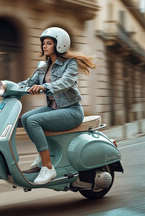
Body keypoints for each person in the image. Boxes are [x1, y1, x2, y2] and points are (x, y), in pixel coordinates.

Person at [19, 27, 96, 184]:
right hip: (54, 109)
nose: (44, 46)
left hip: (71, 111)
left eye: (48, 43)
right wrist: (7, 87)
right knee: (26, 117)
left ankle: (48, 167)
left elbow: (66, 82)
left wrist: (44, 87)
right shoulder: (43, 66)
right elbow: (28, 83)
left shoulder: (70, 64)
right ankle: (43, 156)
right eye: (43, 43)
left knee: (34, 121)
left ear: (59, 44)